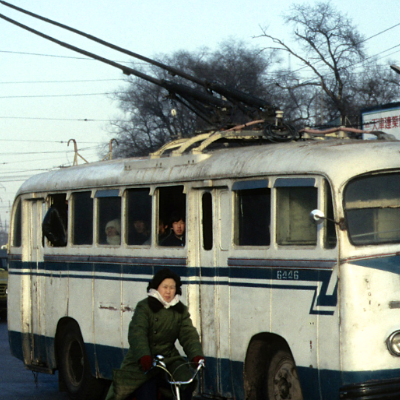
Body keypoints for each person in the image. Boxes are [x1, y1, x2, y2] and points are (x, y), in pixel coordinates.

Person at [105, 268, 205, 400]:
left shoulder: (179, 310)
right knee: (145, 391)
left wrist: (196, 355)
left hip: (169, 358)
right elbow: (137, 332)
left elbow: (188, 334)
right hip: (144, 359)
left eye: (172, 287)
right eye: (165, 287)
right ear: (157, 287)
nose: (168, 291)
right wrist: (143, 355)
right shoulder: (144, 307)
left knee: (186, 381)